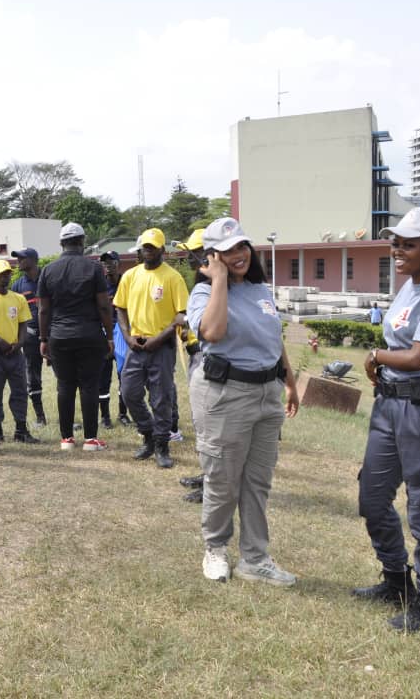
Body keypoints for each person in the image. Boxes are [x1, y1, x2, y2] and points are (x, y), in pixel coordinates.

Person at [353, 207, 420, 634]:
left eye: (408, 243)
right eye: (395, 242)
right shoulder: (408, 287)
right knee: (372, 495)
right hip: (389, 405)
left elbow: (419, 357)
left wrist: (376, 356)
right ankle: (396, 580)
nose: (397, 249)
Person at [188, 217, 299, 587]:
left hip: (266, 393)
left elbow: (273, 337)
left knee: (257, 481)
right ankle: (215, 549)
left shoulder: (260, 291)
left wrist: (289, 380)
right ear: (212, 256)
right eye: (227, 250)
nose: (238, 255)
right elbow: (214, 333)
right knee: (222, 479)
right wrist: (218, 280)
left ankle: (255, 558)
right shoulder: (202, 294)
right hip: (225, 394)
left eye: (241, 247)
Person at [114, 228, 189, 469]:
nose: (148, 250)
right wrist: (126, 336)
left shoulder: (172, 277)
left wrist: (160, 337)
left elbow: (182, 314)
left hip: (162, 347)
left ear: (162, 251)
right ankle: (147, 434)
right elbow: (120, 308)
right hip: (136, 345)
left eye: (153, 247)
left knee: (161, 398)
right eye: (145, 246)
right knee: (129, 392)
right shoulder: (130, 276)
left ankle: (161, 445)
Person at [37, 222, 114, 452]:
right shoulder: (93, 269)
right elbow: (103, 306)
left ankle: (67, 439)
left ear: (62, 244)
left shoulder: (48, 270)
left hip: (59, 336)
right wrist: (109, 335)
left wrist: (43, 339)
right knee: (89, 385)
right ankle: (90, 439)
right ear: (82, 241)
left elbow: (43, 310)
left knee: (65, 385)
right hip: (89, 334)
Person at [0, 259, 41, 444]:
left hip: (15, 354)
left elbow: (23, 324)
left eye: (8, 273)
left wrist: (19, 343)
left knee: (20, 392)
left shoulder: (18, 298)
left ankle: (21, 430)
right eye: (1, 274)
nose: (5, 277)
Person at [174, 229, 208, 502]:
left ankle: (214, 484)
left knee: (211, 425)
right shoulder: (202, 286)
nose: (189, 262)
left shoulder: (215, 287)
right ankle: (209, 474)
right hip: (196, 355)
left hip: (209, 361)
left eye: (192, 255)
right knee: (202, 422)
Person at [11, 247, 48, 426]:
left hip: (53, 335)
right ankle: (40, 417)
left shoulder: (48, 278)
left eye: (22, 258)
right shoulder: (17, 286)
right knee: (33, 377)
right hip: (31, 338)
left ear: (33, 259)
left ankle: (69, 417)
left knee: (64, 376)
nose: (18, 261)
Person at [97, 250, 129, 429]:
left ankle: (123, 414)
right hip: (104, 333)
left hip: (123, 332)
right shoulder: (99, 284)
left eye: (111, 262)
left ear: (118, 264)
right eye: (105, 263)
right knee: (103, 376)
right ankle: (105, 417)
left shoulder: (127, 282)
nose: (108, 265)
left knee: (123, 375)